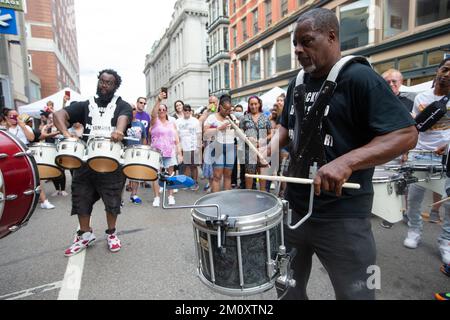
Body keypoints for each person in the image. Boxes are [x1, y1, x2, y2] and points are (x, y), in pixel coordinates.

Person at [270, 8, 417, 299]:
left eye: (306, 41)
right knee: (286, 289)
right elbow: (286, 126)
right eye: (295, 43)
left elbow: (406, 134)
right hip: (295, 209)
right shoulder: (296, 83)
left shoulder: (361, 78)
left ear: (332, 36)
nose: (298, 50)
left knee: (358, 295)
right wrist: (270, 146)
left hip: (344, 216)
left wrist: (347, 161)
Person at [53, 69, 132, 256]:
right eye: (102, 81)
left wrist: (119, 130)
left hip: (113, 162)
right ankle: (85, 234)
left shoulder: (123, 105)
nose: (104, 85)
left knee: (112, 199)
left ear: (115, 86)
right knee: (81, 198)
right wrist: (66, 134)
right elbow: (58, 114)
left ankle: (111, 234)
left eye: (109, 83)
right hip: (86, 161)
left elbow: (123, 118)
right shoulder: (85, 105)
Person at [403, 58, 450, 265]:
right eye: (445, 69)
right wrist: (407, 149)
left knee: (449, 203)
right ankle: (414, 230)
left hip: (446, 156)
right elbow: (414, 126)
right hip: (419, 153)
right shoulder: (421, 96)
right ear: (438, 70)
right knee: (413, 198)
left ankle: (446, 241)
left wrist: (448, 145)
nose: (447, 74)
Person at [379, 69, 415, 228]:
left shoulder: (408, 103)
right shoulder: (375, 100)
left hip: (400, 149)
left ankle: (404, 212)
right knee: (383, 181)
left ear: (401, 82)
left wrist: (407, 152)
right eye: (387, 81)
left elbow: (412, 130)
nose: (391, 84)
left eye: (394, 81)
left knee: (402, 183)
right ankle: (385, 211)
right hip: (380, 147)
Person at [150, 92, 182, 207]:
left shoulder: (171, 124)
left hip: (169, 151)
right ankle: (157, 197)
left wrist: (179, 153)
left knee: (170, 174)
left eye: (164, 109)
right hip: (156, 152)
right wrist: (158, 101)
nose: (161, 111)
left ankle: (170, 196)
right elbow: (153, 114)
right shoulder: (154, 121)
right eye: (160, 109)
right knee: (156, 174)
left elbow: (176, 140)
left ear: (166, 111)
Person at [204, 95, 236, 193]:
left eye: (229, 109)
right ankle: (216, 201)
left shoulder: (232, 117)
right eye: (226, 109)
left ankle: (226, 199)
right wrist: (219, 128)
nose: (228, 111)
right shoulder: (212, 117)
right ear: (220, 107)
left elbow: (237, 133)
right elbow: (205, 133)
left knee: (228, 175)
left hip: (230, 147)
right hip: (217, 147)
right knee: (217, 176)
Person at [239, 95, 272, 191]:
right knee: (249, 174)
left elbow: (271, 134)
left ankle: (262, 194)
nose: (253, 106)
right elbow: (239, 133)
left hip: (262, 150)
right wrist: (247, 138)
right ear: (249, 105)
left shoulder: (265, 118)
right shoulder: (244, 118)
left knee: (262, 173)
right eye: (251, 104)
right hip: (249, 150)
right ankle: (249, 195)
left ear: (259, 104)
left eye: (255, 104)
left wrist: (264, 140)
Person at [175, 104, 202, 191]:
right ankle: (187, 183)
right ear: (182, 111)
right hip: (183, 147)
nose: (186, 112)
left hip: (193, 146)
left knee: (193, 166)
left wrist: (198, 147)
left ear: (190, 112)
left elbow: (199, 134)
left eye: (188, 110)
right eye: (185, 110)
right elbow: (176, 135)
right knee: (186, 165)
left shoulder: (195, 121)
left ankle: (194, 182)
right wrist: (178, 147)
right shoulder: (178, 121)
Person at [126, 106, 146, 204]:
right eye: (130, 109)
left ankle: (134, 195)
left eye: (134, 109)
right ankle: (119, 199)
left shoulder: (140, 124)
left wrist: (144, 151)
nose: (132, 111)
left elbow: (144, 138)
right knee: (123, 175)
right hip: (125, 152)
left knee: (136, 174)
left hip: (137, 152)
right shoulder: (124, 123)